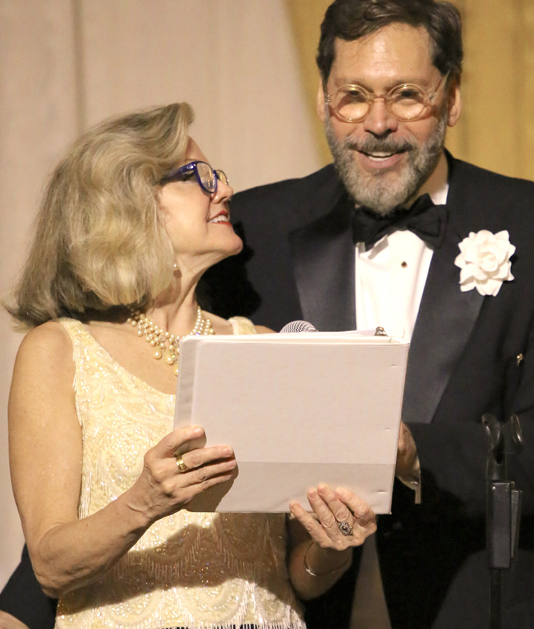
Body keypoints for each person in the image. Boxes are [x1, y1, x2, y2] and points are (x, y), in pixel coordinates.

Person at [199, 0, 534, 627]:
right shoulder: (252, 233)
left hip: (492, 609)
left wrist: (412, 452)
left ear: (451, 99)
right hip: (301, 606)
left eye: (406, 95)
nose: (378, 123)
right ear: (322, 100)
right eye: (354, 97)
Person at [0, 102, 378, 629]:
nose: (223, 189)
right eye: (198, 176)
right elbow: (48, 566)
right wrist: (145, 502)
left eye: (218, 175)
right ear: (128, 203)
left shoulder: (262, 347)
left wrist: (332, 547)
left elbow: (298, 579)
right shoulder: (60, 350)